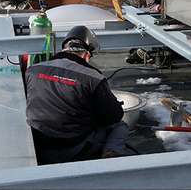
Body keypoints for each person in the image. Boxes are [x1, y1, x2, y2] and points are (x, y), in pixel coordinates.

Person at [25, 25, 128, 164]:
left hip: (39, 141)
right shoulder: (93, 78)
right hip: (74, 147)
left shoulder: (33, 70)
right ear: (87, 54)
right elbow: (114, 116)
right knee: (120, 126)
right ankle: (110, 159)